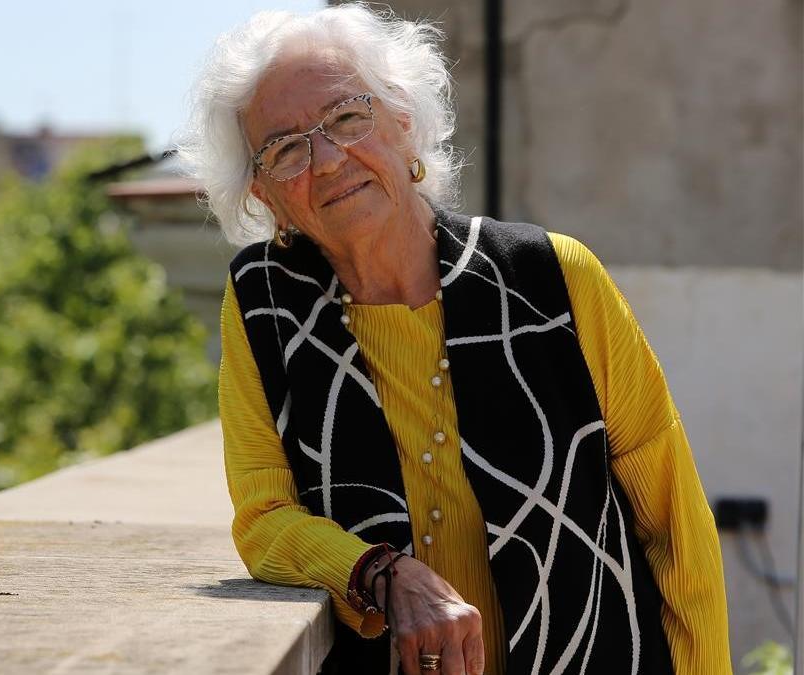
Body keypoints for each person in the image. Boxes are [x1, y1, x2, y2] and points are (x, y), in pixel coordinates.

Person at [177, 5, 731, 674]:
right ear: (264, 193)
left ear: (404, 121)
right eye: (287, 147)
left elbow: (673, 523)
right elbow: (265, 516)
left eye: (348, 118)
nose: (326, 161)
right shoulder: (265, 304)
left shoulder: (553, 278)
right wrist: (383, 572)